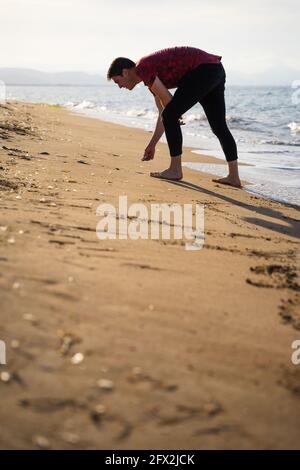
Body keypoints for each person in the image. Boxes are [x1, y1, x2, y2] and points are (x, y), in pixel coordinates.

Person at [107, 46, 242, 188]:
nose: (120, 87)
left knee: (171, 115)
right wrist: (152, 144)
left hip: (203, 69)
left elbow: (168, 106)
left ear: (125, 72)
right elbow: (163, 113)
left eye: (117, 82)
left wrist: (174, 115)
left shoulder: (143, 68)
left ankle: (175, 170)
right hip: (215, 69)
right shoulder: (150, 77)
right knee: (219, 126)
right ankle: (234, 177)